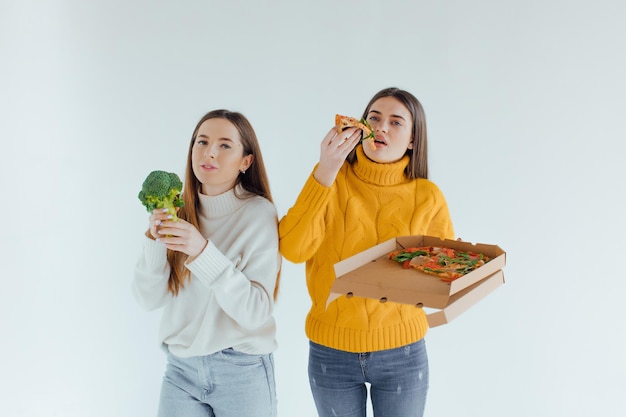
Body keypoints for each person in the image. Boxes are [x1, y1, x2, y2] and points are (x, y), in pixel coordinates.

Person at [278, 87, 455, 417]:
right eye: (373, 118)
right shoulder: (330, 179)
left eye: (395, 122)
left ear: (414, 140)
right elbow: (293, 249)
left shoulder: (427, 196)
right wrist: (326, 169)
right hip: (331, 350)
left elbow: (443, 276)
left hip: (402, 352)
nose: (381, 127)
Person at [133, 109, 281, 417]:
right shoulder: (178, 210)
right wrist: (153, 240)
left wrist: (202, 252)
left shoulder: (258, 214)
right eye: (201, 142)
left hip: (242, 370)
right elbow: (148, 299)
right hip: (181, 370)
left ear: (246, 161)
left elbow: (255, 312)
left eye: (225, 145)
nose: (209, 152)